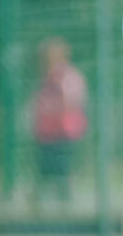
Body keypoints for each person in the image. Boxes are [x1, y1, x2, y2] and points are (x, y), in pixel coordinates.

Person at [30, 37, 88, 203]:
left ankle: (65, 198)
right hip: (47, 132)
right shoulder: (45, 79)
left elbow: (73, 100)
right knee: (44, 170)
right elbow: (37, 103)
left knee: (64, 169)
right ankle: (41, 200)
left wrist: (54, 107)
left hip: (65, 131)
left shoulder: (68, 77)